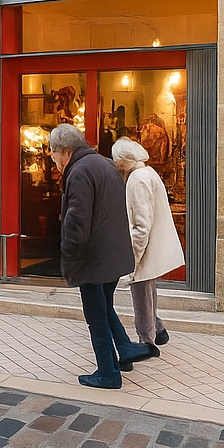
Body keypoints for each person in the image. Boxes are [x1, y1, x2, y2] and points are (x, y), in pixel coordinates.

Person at [49, 123, 152, 389]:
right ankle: (125, 351)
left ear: (66, 151)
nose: (53, 159)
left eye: (53, 153)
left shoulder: (80, 171)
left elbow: (77, 221)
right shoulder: (104, 163)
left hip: (93, 259)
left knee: (96, 316)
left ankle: (108, 373)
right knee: (105, 308)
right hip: (111, 256)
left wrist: (69, 258)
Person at [112, 137, 185, 353]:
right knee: (148, 292)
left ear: (122, 160)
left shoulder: (137, 179)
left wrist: (133, 258)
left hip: (146, 247)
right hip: (153, 244)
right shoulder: (148, 172)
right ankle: (158, 329)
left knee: (142, 295)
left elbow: (141, 226)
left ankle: (147, 341)